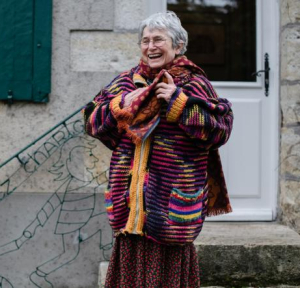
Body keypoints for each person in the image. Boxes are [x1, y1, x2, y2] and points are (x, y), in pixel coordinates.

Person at [83, 11, 234, 287]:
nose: (150, 46)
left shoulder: (194, 83)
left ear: (177, 46)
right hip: (130, 209)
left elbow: (221, 128)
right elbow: (91, 121)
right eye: (145, 40)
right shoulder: (125, 83)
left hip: (170, 207)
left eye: (158, 40)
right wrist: (120, 106)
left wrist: (180, 103)